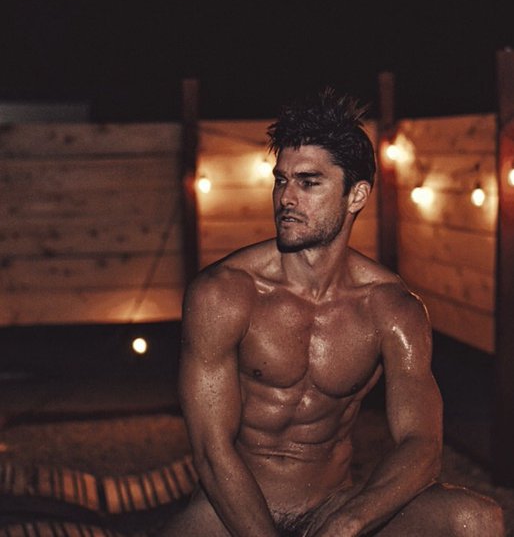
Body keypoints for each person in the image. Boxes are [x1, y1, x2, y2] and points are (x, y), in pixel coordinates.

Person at [163, 89, 504, 536]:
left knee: (478, 520)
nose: (286, 197)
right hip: (229, 514)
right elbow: (211, 452)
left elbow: (422, 445)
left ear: (356, 195)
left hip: (329, 508)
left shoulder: (391, 309)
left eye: (308, 183)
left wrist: (347, 523)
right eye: (281, 180)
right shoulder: (224, 294)